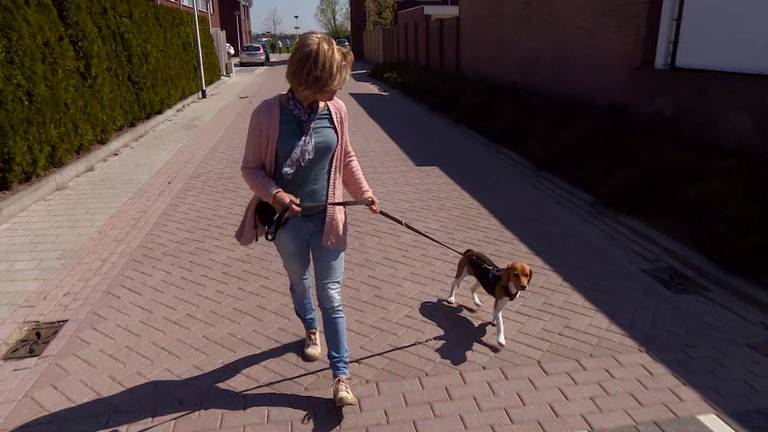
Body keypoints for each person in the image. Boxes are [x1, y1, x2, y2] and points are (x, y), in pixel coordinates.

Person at [235, 32, 378, 407]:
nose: (338, 90)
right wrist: (277, 195)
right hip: (288, 224)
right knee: (300, 282)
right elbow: (250, 168)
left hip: (329, 218)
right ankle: (310, 327)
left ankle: (341, 376)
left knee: (331, 294)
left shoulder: (337, 111)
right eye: (332, 82)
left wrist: (363, 192)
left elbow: (346, 157)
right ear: (311, 78)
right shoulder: (266, 115)